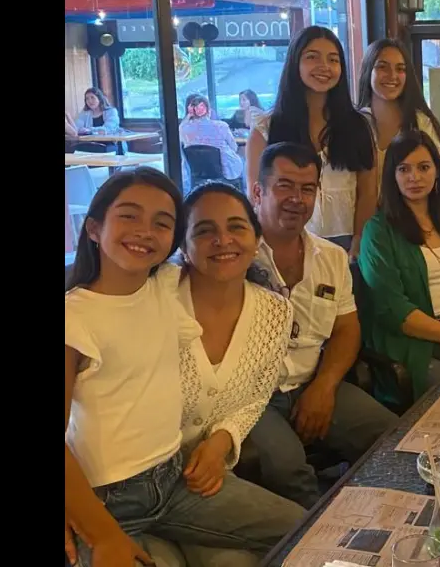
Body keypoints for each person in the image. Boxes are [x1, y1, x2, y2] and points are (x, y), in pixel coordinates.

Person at [64, 168, 304, 567]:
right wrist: (98, 531)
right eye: (129, 216)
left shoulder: (161, 288)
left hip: (174, 479)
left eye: (162, 223)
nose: (145, 231)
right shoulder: (76, 318)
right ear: (93, 228)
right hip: (108, 499)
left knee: (301, 526)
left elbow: (221, 270)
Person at [243, 142, 398, 509]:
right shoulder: (235, 254)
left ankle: (379, 520)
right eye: (284, 186)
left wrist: (324, 387)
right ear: (257, 191)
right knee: (289, 470)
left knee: (394, 437)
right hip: (253, 398)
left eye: (307, 188)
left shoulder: (330, 256)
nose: (296, 198)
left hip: (313, 380)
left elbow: (347, 329)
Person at [359, 131, 440, 401]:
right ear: (392, 177)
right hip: (408, 347)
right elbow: (392, 310)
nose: (414, 177)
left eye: (424, 167)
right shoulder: (378, 231)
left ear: (437, 173)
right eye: (403, 169)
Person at [246, 26, 377, 256]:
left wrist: (359, 241)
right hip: (286, 245)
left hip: (346, 245)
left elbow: (367, 191)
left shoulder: (357, 126)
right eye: (312, 57)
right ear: (295, 63)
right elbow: (255, 197)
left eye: (333, 59)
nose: (324, 66)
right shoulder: (266, 129)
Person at [356, 39, 440, 202]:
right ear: (367, 71)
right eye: (382, 67)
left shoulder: (422, 125)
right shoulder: (356, 125)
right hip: (365, 224)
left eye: (400, 69)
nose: (392, 75)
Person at [180, 94, 244, 188]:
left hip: (197, 174)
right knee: (243, 160)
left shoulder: (183, 128)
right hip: (226, 172)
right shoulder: (221, 126)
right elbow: (234, 148)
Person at [70, 88, 120, 153]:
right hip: (90, 144)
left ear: (99, 98)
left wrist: (89, 130)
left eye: (92, 97)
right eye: (87, 99)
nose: (90, 101)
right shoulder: (84, 113)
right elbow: (76, 128)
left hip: (109, 144)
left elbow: (107, 129)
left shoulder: (111, 111)